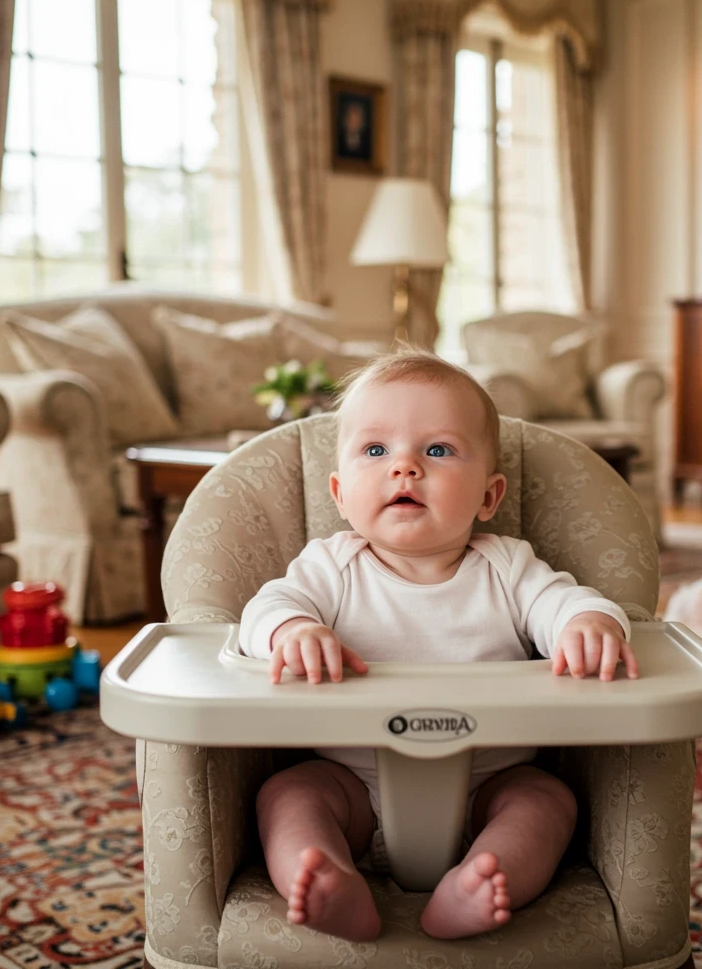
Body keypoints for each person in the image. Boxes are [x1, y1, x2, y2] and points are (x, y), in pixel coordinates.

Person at [234, 344, 639, 943]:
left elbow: (567, 602)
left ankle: (482, 879)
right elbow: (262, 612)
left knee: (547, 801)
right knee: (288, 795)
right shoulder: (331, 566)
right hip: (352, 790)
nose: (405, 467)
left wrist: (589, 625)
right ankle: (324, 878)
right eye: (376, 450)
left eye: (439, 450)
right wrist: (292, 631)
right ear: (341, 495)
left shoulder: (507, 566)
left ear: (488, 497)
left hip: (488, 787)